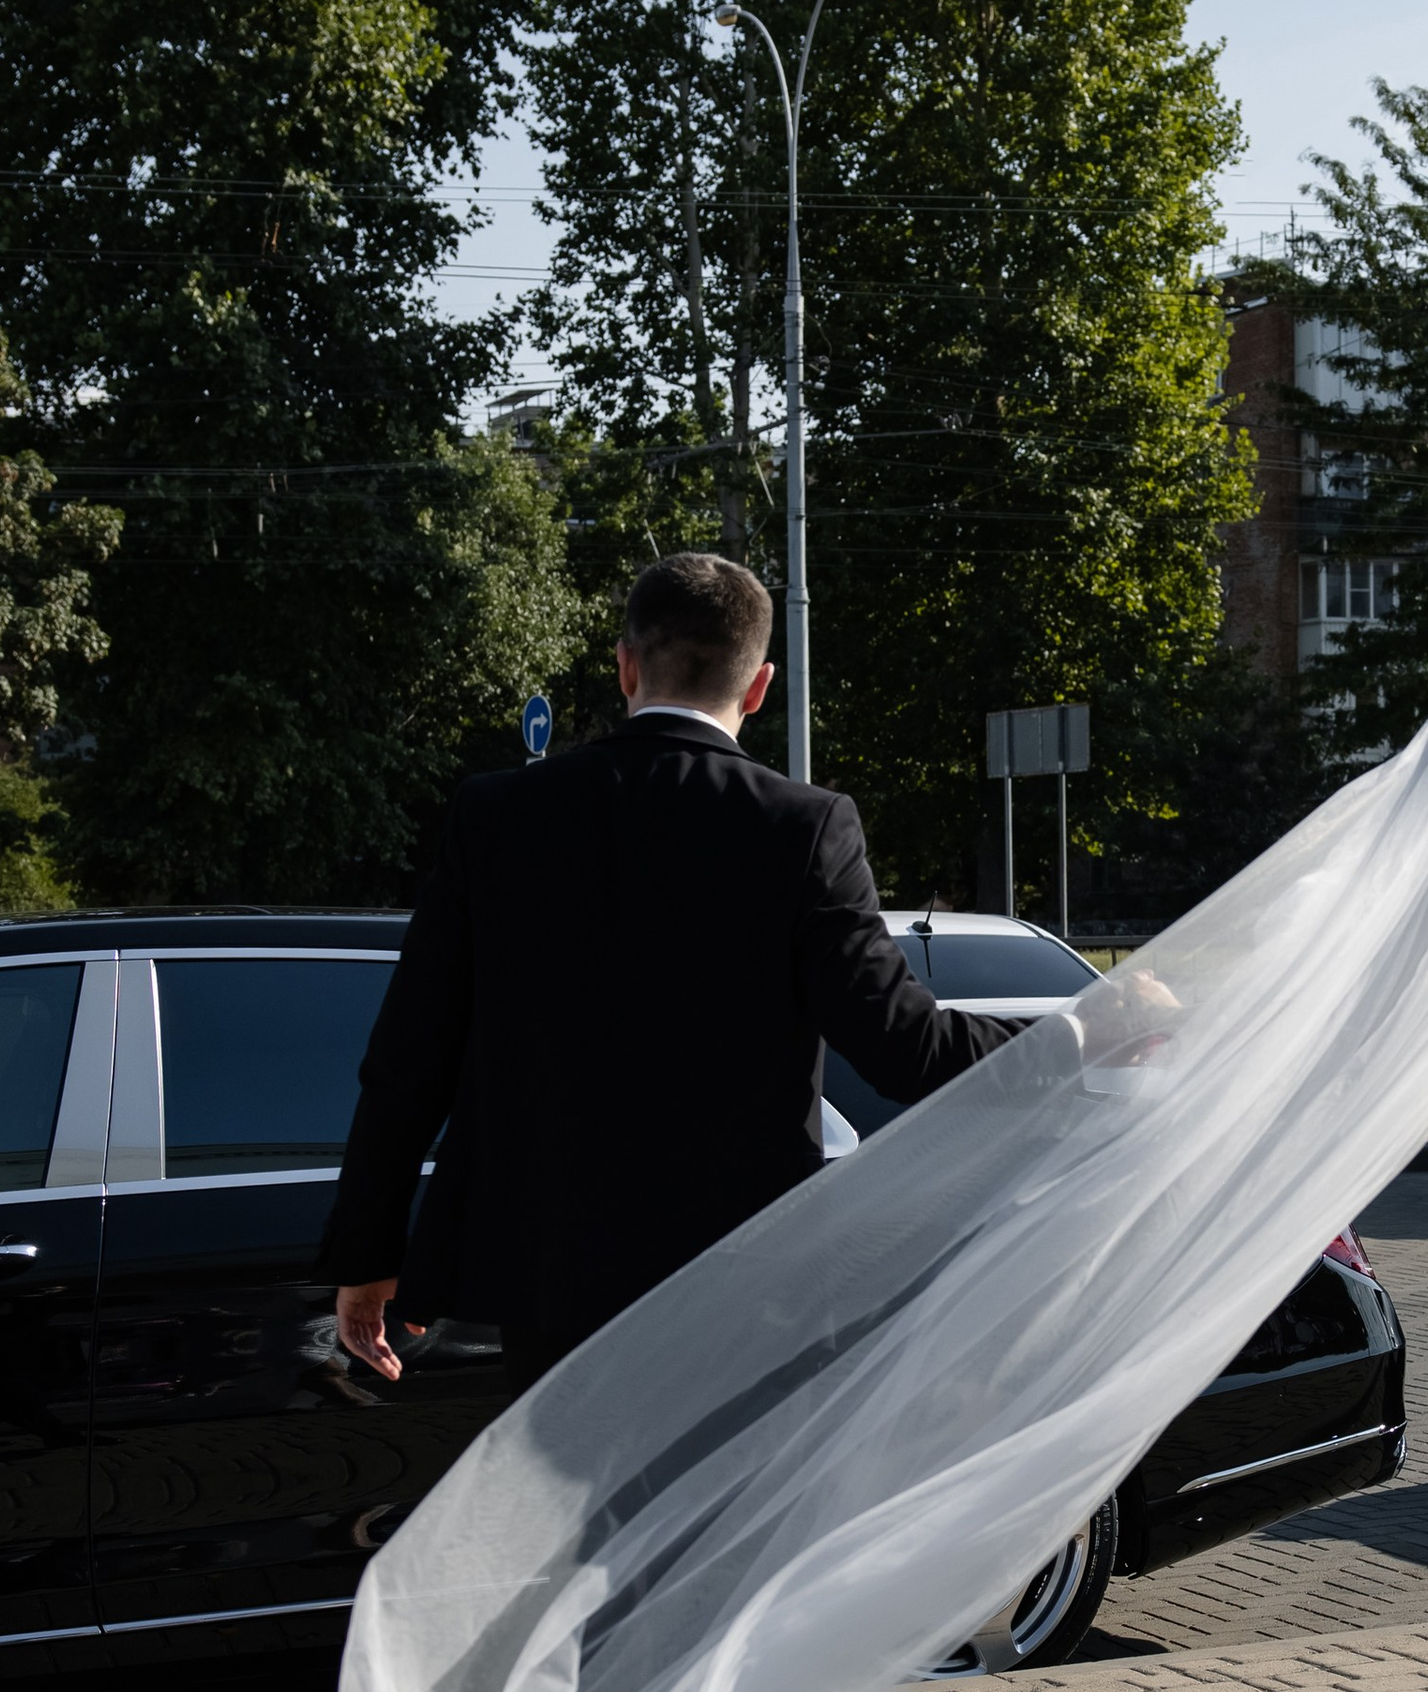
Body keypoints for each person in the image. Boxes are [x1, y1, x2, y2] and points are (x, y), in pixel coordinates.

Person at [316, 553, 1017, 1390]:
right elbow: (905, 1045)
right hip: (740, 1284)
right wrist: (1087, 1032)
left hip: (549, 1277)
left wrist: (369, 1251)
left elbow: (407, 1060)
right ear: (758, 687)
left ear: (624, 665)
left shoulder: (498, 816)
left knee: (573, 1521)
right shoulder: (804, 827)